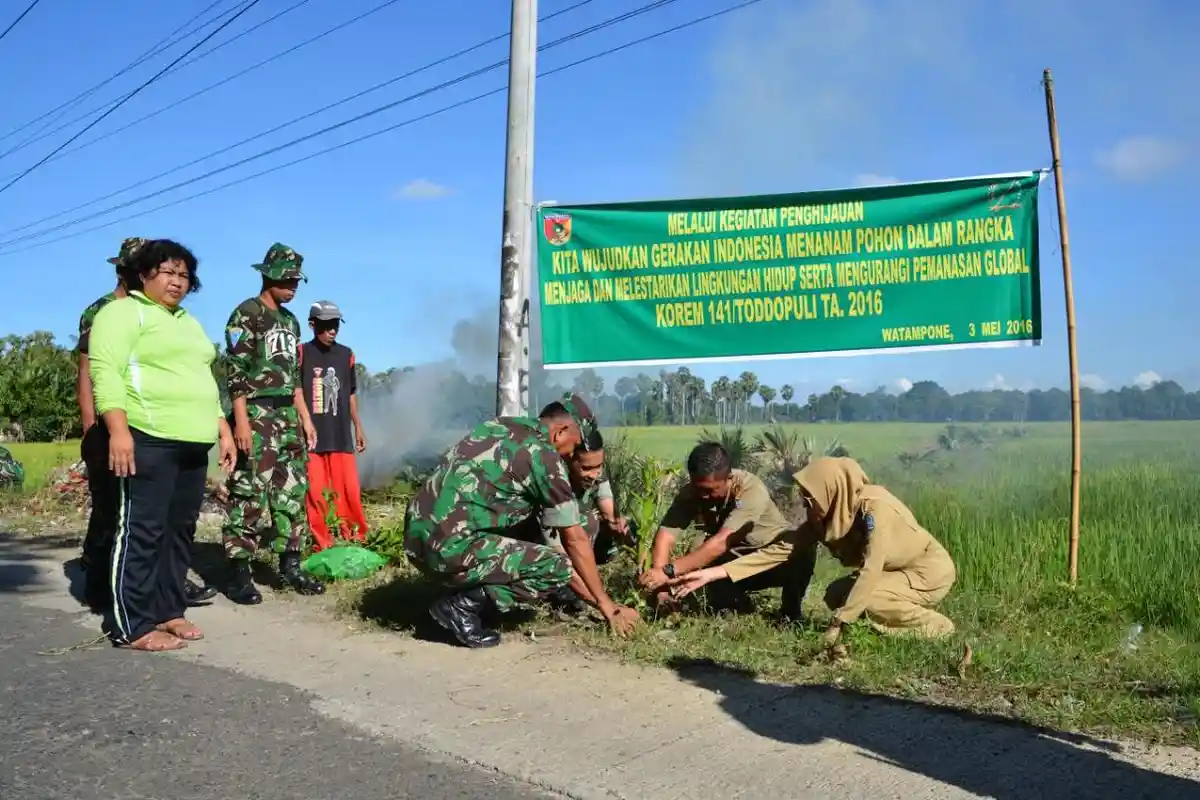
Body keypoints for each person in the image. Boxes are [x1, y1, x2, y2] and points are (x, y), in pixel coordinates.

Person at [87, 239, 237, 652]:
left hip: (192, 442)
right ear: (143, 274)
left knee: (178, 532)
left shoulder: (188, 322)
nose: (177, 282)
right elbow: (106, 372)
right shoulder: (121, 313)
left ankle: (169, 610)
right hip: (147, 438)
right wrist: (118, 430)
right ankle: (131, 624)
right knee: (142, 531)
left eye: (184, 275)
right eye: (168, 272)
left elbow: (204, 378)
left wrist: (221, 427)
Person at [404, 395, 639, 648]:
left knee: (524, 530)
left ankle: (466, 592)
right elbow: (574, 539)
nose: (573, 451)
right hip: (447, 548)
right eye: (576, 443)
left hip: (416, 538)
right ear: (561, 431)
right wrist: (607, 606)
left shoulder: (501, 425)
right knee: (556, 567)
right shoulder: (545, 457)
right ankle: (461, 607)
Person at [667, 456, 958, 645]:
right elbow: (779, 550)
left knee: (865, 600)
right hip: (896, 571)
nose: (805, 504)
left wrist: (838, 624)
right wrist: (712, 574)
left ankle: (939, 629)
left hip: (927, 572)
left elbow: (871, 569)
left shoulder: (875, 510)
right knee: (836, 594)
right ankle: (884, 626)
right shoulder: (831, 515)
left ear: (831, 490)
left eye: (810, 497)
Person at [221, 243, 324, 604]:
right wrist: (242, 422)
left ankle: (290, 564)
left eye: (298, 280)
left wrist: (305, 418)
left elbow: (294, 376)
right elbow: (234, 371)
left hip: (287, 415)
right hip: (257, 412)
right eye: (288, 279)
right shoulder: (246, 314)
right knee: (249, 491)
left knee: (292, 490)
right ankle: (239, 572)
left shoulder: (291, 321)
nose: (294, 286)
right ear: (269, 275)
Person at [636, 441, 805, 619]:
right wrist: (661, 588)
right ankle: (731, 605)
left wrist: (667, 572)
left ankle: (790, 613)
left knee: (801, 550)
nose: (703, 496)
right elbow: (666, 536)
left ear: (729, 479)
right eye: (698, 488)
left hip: (771, 561)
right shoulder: (692, 492)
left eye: (709, 491)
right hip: (731, 564)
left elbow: (723, 541)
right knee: (698, 548)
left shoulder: (750, 490)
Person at [511, 427, 633, 616]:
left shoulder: (595, 468)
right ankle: (560, 591)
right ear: (567, 461)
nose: (594, 474)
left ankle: (587, 574)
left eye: (598, 467)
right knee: (587, 523)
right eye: (586, 468)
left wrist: (616, 523)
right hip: (540, 543)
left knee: (624, 526)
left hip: (576, 542)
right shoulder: (551, 483)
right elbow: (556, 550)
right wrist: (605, 605)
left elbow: (607, 504)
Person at [299, 300, 368, 551]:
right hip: (313, 437)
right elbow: (296, 391)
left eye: (335, 325)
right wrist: (304, 423)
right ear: (312, 325)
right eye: (326, 325)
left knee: (348, 491)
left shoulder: (346, 355)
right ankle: (322, 543)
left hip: (340, 434)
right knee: (316, 492)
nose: (332, 331)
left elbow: (350, 393)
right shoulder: (302, 353)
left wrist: (358, 426)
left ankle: (356, 538)